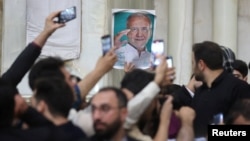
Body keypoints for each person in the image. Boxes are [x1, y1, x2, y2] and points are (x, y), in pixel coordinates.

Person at [173, 41, 250, 138]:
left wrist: (217, 133)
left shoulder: (239, 88)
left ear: (201, 65)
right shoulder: (200, 91)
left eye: (193, 63)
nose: (192, 68)